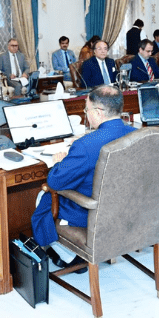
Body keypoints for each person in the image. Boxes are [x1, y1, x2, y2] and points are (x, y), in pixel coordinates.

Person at [30, 86, 135, 267]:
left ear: (98, 112)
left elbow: (55, 182)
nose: (86, 114)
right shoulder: (136, 133)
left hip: (91, 213)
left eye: (86, 110)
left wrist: (59, 163)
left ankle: (70, 257)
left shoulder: (85, 145)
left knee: (43, 196)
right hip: (125, 208)